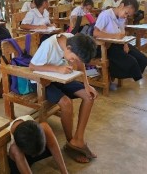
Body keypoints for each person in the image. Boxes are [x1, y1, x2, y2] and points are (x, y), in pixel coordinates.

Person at [29, 33, 98, 163]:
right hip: (40, 82)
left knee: (89, 97)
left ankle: (78, 140)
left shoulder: (71, 39)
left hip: (59, 78)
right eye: (72, 58)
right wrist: (57, 68)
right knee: (66, 103)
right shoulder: (49, 45)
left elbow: (80, 61)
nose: (72, 61)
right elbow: (32, 67)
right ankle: (70, 142)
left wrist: (86, 84)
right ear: (69, 48)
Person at [93, 0, 147, 89]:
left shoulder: (122, 18)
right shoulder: (106, 15)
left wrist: (125, 44)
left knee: (142, 59)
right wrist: (114, 36)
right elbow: (96, 33)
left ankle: (113, 73)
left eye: (128, 15)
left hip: (118, 43)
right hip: (105, 46)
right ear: (121, 5)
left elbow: (122, 33)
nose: (126, 16)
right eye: (126, 13)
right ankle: (111, 73)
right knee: (132, 62)